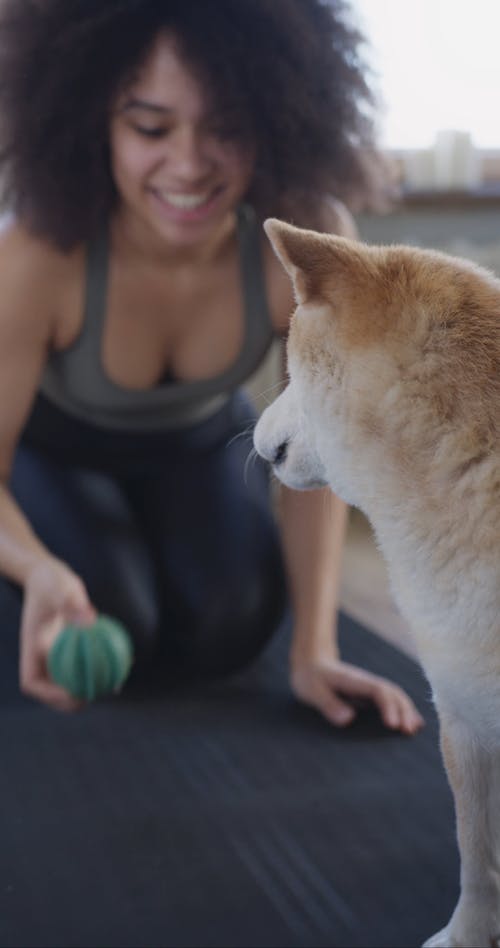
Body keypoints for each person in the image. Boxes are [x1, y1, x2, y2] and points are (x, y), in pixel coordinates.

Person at [0, 0, 423, 733]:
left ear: (274, 115)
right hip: (51, 454)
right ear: (95, 118)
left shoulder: (305, 239)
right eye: (151, 127)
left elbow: (318, 455)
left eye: (225, 126)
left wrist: (314, 650)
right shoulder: (37, 255)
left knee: (231, 625)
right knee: (114, 617)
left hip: (199, 444)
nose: (190, 164)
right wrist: (38, 568)